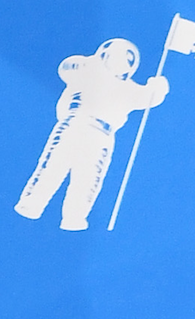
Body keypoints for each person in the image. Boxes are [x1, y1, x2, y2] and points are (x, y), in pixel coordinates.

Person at [14, 37, 167, 231]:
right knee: (53, 166)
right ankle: (31, 204)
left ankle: (74, 218)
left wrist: (158, 87)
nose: (120, 61)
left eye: (127, 59)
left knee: (88, 178)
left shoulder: (128, 89)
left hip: (102, 134)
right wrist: (90, 63)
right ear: (105, 55)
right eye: (116, 55)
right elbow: (66, 68)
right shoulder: (87, 70)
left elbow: (148, 98)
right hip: (75, 123)